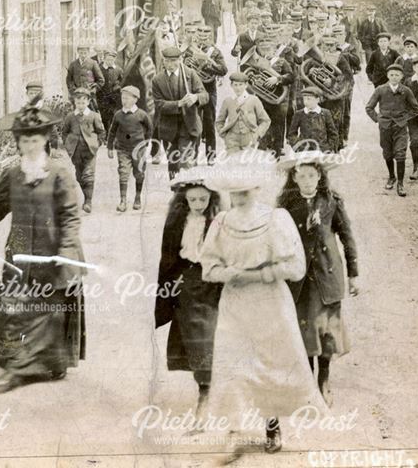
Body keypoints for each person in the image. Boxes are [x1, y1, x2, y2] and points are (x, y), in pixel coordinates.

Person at [199, 160, 326, 454]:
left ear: (256, 188)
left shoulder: (275, 219)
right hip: (236, 303)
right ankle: (234, 432)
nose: (239, 197)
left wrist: (255, 274)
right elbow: (208, 267)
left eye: (244, 191)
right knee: (234, 363)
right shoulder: (221, 223)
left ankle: (272, 425)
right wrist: (226, 274)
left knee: (272, 362)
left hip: (270, 302)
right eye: (234, 192)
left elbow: (295, 267)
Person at [0, 102, 86, 391]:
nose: (30, 145)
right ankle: (18, 366)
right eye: (24, 140)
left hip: (52, 251)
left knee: (48, 310)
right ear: (18, 143)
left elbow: (70, 215)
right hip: (18, 252)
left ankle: (48, 362)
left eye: (35, 139)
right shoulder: (11, 175)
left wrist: (66, 252)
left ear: (44, 140)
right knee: (13, 306)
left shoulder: (59, 173)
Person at [276, 150, 359, 406]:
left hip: (327, 273)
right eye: (302, 176)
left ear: (320, 175)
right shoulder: (287, 205)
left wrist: (354, 274)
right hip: (299, 277)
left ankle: (324, 379)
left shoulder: (331, 200)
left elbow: (346, 236)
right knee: (305, 329)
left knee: (327, 331)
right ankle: (308, 381)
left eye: (312, 175)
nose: (308, 180)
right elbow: (277, 238)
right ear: (295, 178)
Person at [154, 168, 223, 419]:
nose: (197, 205)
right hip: (186, 281)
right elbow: (168, 255)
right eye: (192, 200)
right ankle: (203, 388)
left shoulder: (218, 220)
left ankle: (207, 390)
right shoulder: (177, 221)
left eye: (203, 199)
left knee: (208, 334)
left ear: (211, 198)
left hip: (211, 280)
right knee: (194, 336)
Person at [151, 46, 207, 179]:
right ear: (163, 61)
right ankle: (177, 193)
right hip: (168, 128)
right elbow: (159, 104)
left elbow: (205, 95)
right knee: (173, 163)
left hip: (189, 125)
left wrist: (195, 97)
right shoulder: (157, 80)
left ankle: (189, 189)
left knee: (185, 161)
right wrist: (178, 104)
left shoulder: (190, 74)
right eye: (167, 61)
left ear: (180, 60)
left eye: (174, 60)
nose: (170, 64)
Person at [365, 64, 418, 197]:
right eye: (391, 75)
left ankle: (400, 184)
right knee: (388, 153)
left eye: (397, 75)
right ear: (387, 76)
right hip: (384, 127)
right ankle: (392, 176)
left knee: (400, 153)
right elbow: (369, 108)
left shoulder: (406, 90)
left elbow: (416, 109)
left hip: (400, 127)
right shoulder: (380, 90)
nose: (394, 77)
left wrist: (404, 118)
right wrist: (378, 119)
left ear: (401, 76)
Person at [241, 28, 294, 157]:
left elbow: (291, 77)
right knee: (262, 121)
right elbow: (246, 76)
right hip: (262, 97)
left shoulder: (282, 62)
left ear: (274, 49)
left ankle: (278, 147)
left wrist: (278, 79)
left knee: (278, 122)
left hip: (279, 98)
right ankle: (263, 146)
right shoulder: (257, 63)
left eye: (269, 49)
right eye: (263, 49)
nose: (266, 51)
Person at [106, 85, 152, 212]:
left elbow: (149, 130)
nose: (124, 100)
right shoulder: (118, 115)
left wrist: (146, 145)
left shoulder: (142, 115)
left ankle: (137, 197)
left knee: (139, 174)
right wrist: (110, 147)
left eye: (127, 98)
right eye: (122, 97)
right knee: (123, 173)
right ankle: (123, 200)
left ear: (135, 99)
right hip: (123, 149)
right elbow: (112, 132)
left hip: (139, 150)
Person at [188, 25, 228, 165]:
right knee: (194, 123)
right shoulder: (189, 50)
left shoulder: (215, 52)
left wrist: (206, 66)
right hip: (193, 91)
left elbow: (223, 70)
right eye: (200, 37)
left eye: (205, 38)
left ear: (210, 38)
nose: (202, 40)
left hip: (209, 90)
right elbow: (182, 67)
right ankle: (193, 155)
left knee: (209, 123)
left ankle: (211, 156)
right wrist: (188, 64)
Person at [62, 88, 106, 214]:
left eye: (83, 102)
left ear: (88, 102)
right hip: (75, 151)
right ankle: (86, 197)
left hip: (90, 150)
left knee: (88, 175)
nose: (80, 105)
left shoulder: (93, 116)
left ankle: (88, 201)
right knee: (79, 176)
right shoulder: (70, 116)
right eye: (78, 102)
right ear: (74, 102)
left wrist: (97, 144)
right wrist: (67, 144)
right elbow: (64, 132)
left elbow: (101, 132)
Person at [216, 71, 270, 155]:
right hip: (232, 141)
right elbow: (219, 121)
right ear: (231, 85)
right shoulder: (228, 101)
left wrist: (257, 134)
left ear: (246, 85)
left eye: (241, 85)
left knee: (248, 165)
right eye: (235, 85)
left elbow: (265, 120)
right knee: (233, 165)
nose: (238, 88)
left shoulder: (254, 100)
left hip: (249, 139)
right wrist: (225, 136)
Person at [288, 87, 340, 152]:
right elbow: (291, 134)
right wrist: (298, 146)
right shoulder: (299, 114)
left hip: (322, 150)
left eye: (309, 99)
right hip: (304, 151)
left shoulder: (325, 113)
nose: (306, 102)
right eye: (304, 99)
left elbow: (333, 134)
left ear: (317, 100)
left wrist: (328, 148)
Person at [96, 49, 124, 132]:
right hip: (102, 97)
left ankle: (112, 133)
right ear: (104, 59)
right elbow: (95, 80)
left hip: (114, 97)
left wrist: (117, 87)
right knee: (103, 116)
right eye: (108, 59)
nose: (109, 61)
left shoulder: (118, 70)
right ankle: (105, 133)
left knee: (113, 115)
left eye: (111, 59)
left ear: (114, 59)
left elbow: (122, 81)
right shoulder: (99, 69)